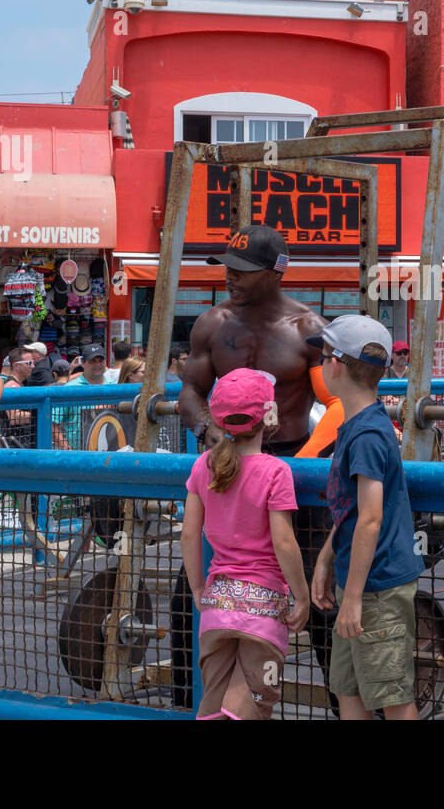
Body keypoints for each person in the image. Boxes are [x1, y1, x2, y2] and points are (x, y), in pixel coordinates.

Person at [175, 225, 344, 709]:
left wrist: (302, 462)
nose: (231, 277)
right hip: (228, 459)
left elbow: (336, 404)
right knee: (192, 594)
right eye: (228, 267)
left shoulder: (308, 329)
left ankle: (341, 705)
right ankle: (190, 702)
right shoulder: (212, 323)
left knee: (316, 592)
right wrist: (209, 430)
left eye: (244, 271)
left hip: (294, 466)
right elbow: (190, 391)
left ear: (277, 272)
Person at [308, 315, 423, 720]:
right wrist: (326, 557)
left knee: (391, 696)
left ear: (335, 365)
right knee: (349, 689)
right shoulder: (361, 426)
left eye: (321, 357)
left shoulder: (368, 435)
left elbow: (370, 519)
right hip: (360, 583)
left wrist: (353, 597)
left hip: (375, 588)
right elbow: (353, 510)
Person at [181, 368, 310, 720]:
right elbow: (283, 541)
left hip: (216, 605)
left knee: (213, 708)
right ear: (269, 417)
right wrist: (301, 596)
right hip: (264, 612)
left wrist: (197, 588)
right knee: (250, 709)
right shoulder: (275, 471)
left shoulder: (203, 466)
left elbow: (190, 534)